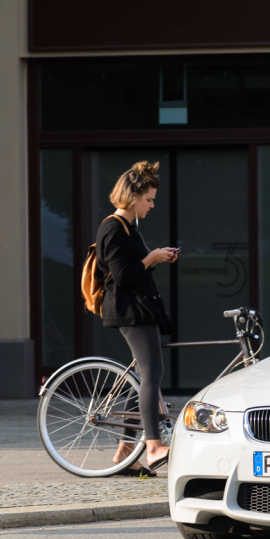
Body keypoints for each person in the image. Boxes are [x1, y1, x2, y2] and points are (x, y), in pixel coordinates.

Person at [100, 161, 179, 474]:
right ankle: (154, 445)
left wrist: (159, 257)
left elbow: (137, 268)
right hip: (129, 311)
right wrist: (151, 257)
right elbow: (121, 275)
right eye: (149, 199)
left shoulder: (130, 228)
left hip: (140, 308)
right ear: (133, 196)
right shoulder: (112, 227)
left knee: (143, 379)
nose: (152, 204)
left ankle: (123, 454)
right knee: (152, 374)